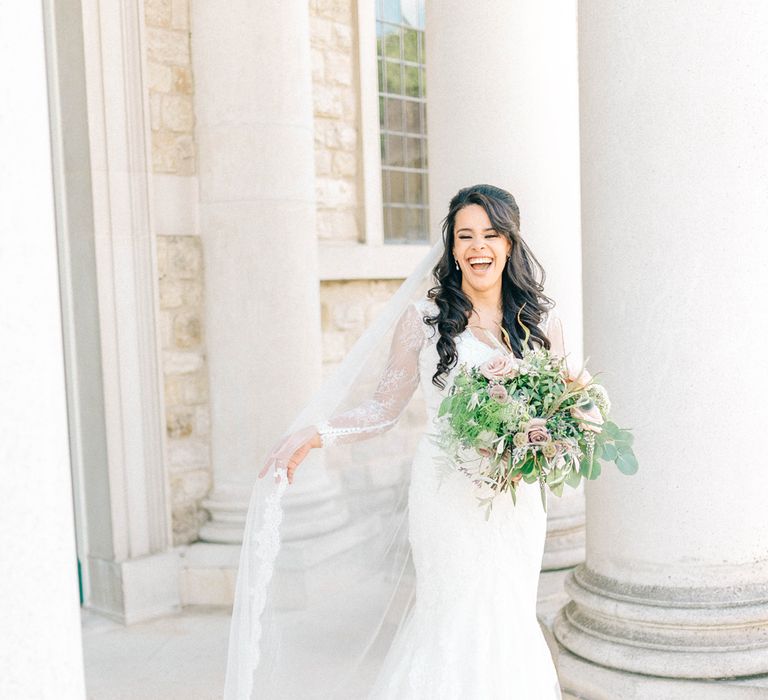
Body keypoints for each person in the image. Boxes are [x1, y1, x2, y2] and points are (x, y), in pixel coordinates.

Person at [225, 184, 565, 699]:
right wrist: (316, 433)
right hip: (447, 493)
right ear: (451, 247)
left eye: (491, 235)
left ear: (511, 244)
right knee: (452, 616)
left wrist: (543, 446)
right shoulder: (424, 322)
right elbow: (383, 408)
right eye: (465, 235)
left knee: (507, 615)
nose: (478, 247)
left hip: (515, 500)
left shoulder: (541, 324)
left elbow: (560, 410)